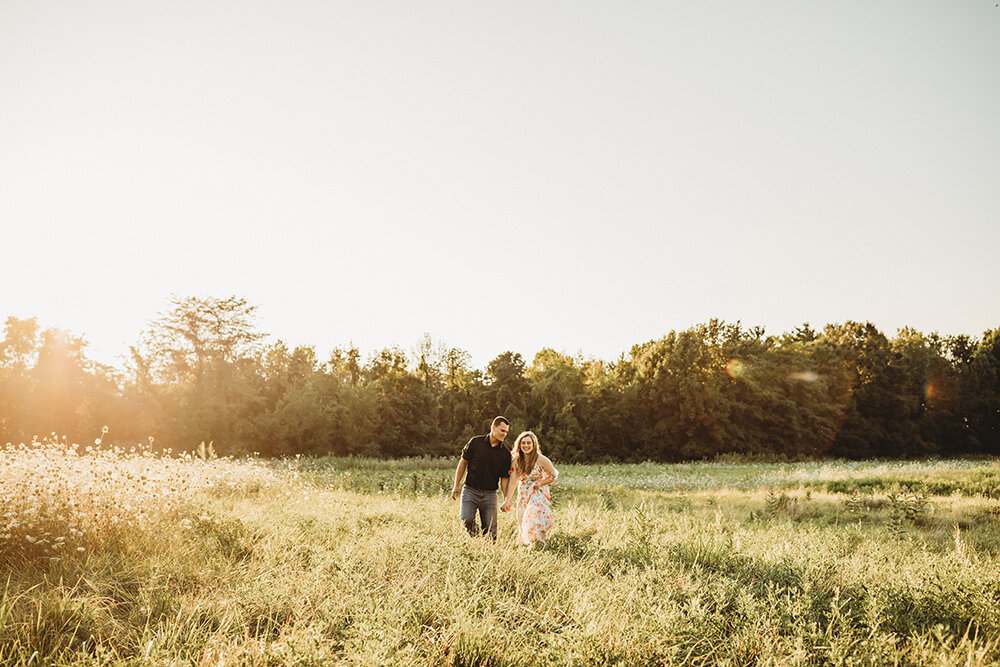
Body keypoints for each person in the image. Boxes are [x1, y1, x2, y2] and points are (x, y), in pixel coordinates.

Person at [451, 416, 514, 540]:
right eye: (502, 430)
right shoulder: (475, 442)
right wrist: (456, 485)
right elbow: (463, 463)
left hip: (490, 494)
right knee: (466, 519)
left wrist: (506, 498)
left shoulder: (506, 454)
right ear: (493, 427)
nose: (504, 434)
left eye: (506, 432)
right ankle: (477, 539)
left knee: (491, 530)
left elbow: (504, 479)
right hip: (470, 490)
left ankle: (488, 551)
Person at [502, 430, 558, 546]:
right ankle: (528, 547)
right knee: (523, 520)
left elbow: (554, 475)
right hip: (523, 494)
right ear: (519, 445)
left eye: (528, 443)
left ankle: (540, 545)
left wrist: (541, 483)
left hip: (537, 493)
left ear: (534, 445)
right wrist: (507, 500)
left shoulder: (541, 459)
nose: (526, 445)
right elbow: (512, 482)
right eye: (523, 443)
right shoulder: (516, 461)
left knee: (534, 518)